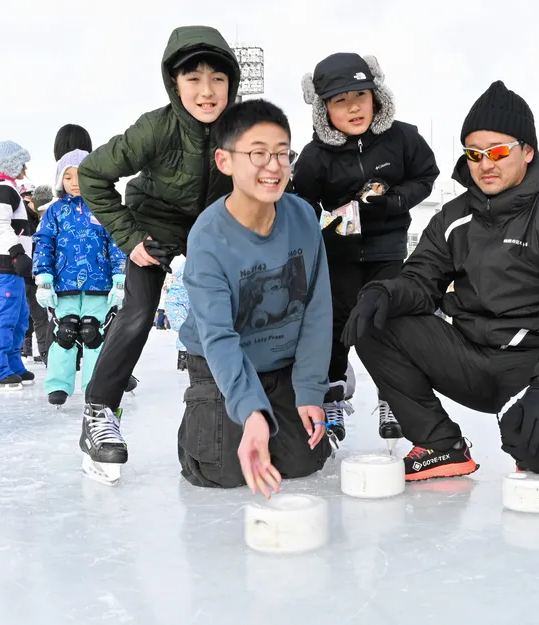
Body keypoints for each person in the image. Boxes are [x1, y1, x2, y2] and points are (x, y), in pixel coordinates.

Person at [343, 81, 539, 481]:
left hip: (529, 365)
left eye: (499, 152)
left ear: (528, 151)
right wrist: (384, 291)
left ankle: (525, 417)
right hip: (466, 356)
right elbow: (421, 280)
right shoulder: (453, 217)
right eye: (475, 154)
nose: (486, 164)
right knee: (377, 320)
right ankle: (440, 444)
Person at [76, 25, 240, 483]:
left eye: (218, 79)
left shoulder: (242, 126)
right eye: (193, 79)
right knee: (139, 311)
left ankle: (261, 399)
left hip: (213, 227)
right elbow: (92, 175)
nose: (207, 92)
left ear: (232, 83)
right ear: (174, 84)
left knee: (246, 302)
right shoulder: (156, 127)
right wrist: (130, 239)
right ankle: (99, 411)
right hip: (152, 226)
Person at [178, 99, 332, 494]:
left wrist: (311, 389)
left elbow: (316, 309)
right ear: (225, 161)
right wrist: (250, 412)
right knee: (221, 471)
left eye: (282, 153)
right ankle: (206, 413)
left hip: (279, 365)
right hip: (219, 363)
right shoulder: (208, 237)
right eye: (259, 154)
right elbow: (218, 336)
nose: (274, 166)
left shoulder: (302, 218)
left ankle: (267, 410)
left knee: (303, 462)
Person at [293, 52, 440, 445]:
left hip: (387, 251)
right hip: (338, 256)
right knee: (338, 326)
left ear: (377, 95)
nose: (353, 106)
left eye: (361, 94)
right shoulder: (314, 156)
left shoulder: (403, 137)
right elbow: (303, 203)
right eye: (340, 100)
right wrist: (324, 223)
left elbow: (427, 175)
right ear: (323, 109)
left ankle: (392, 394)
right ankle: (333, 397)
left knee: (386, 323)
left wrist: (394, 201)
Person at [33, 149, 125, 406]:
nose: (74, 182)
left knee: (92, 332)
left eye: (81, 175)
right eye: (68, 176)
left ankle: (95, 384)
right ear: (60, 180)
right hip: (64, 284)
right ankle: (58, 384)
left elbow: (116, 243)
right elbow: (43, 243)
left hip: (99, 283)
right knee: (66, 330)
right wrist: (43, 277)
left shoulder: (104, 209)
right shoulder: (55, 211)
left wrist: (119, 276)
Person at [0, 140, 36, 390]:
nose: (25, 167)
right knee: (5, 314)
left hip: (10, 262)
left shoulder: (9, 189)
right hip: (3, 261)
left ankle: (12, 363)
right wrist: (16, 252)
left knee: (20, 315)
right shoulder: (3, 189)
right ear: (12, 163)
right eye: (21, 161)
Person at [19, 182, 51, 364]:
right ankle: (18, 352)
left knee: (40, 316)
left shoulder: (41, 219)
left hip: (35, 275)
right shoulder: (20, 215)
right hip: (20, 274)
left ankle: (45, 352)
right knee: (19, 315)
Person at [164, 256, 190, 371]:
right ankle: (184, 358)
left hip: (180, 301)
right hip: (180, 301)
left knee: (186, 330)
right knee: (186, 330)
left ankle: (183, 358)